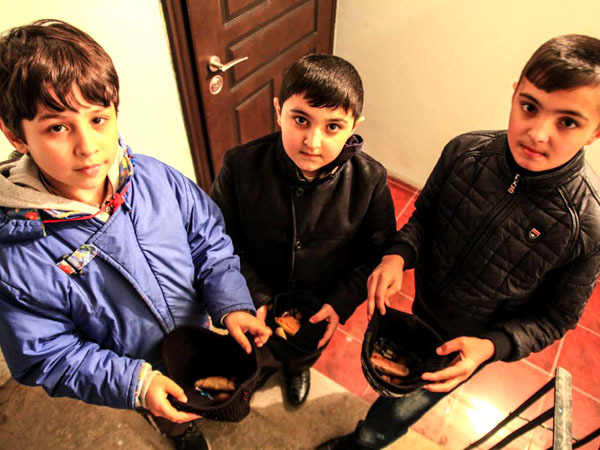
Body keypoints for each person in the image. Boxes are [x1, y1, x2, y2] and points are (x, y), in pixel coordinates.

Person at [318, 33, 600, 449]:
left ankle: (365, 442)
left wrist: (491, 346)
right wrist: (398, 254)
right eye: (529, 107)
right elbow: (425, 218)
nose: (538, 133)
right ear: (514, 95)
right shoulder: (465, 153)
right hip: (425, 302)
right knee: (396, 379)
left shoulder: (587, 226)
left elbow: (556, 317)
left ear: (595, 131)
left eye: (568, 122)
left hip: (471, 340)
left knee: (401, 409)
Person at [0, 19, 271, 450]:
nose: (88, 146)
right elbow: (46, 354)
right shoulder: (17, 255)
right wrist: (135, 384)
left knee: (205, 386)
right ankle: (179, 431)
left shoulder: (156, 179)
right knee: (170, 412)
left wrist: (231, 303)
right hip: (135, 366)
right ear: (16, 135)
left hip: (198, 334)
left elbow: (209, 242)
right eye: (57, 127)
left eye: (98, 119)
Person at [209, 54, 397, 406]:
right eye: (300, 120)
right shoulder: (241, 165)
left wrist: (340, 302)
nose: (313, 141)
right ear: (278, 111)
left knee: (303, 349)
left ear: (354, 126)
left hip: (320, 302)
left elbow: (375, 254)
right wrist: (254, 295)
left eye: (333, 127)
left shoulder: (370, 180)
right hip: (254, 290)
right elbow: (219, 239)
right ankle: (260, 367)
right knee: (257, 347)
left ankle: (297, 368)